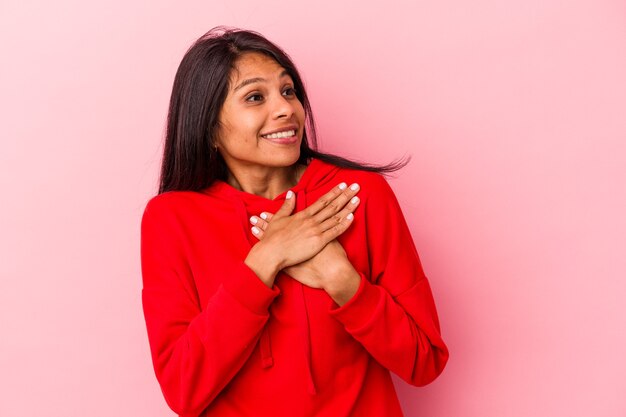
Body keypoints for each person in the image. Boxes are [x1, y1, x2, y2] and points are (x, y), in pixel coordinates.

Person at [140, 26, 449, 417]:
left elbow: (425, 360)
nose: (287, 108)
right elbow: (183, 388)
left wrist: (343, 281)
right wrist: (265, 260)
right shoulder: (172, 219)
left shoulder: (360, 196)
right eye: (255, 97)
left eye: (289, 91)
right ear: (209, 126)